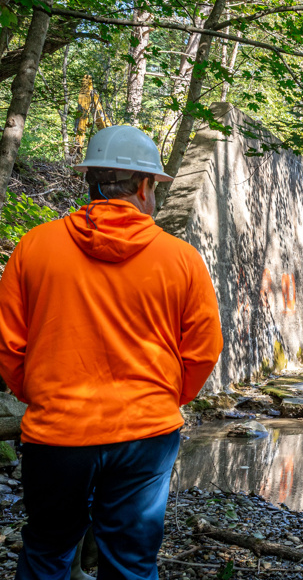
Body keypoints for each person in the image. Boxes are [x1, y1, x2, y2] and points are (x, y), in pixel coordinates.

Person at [0, 125, 224, 580]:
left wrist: (41, 396)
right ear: (143, 187)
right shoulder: (181, 259)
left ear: (90, 180)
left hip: (57, 433)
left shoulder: (34, 247)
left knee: (46, 553)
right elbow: (203, 351)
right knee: (131, 561)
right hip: (145, 434)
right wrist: (165, 398)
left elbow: (9, 345)